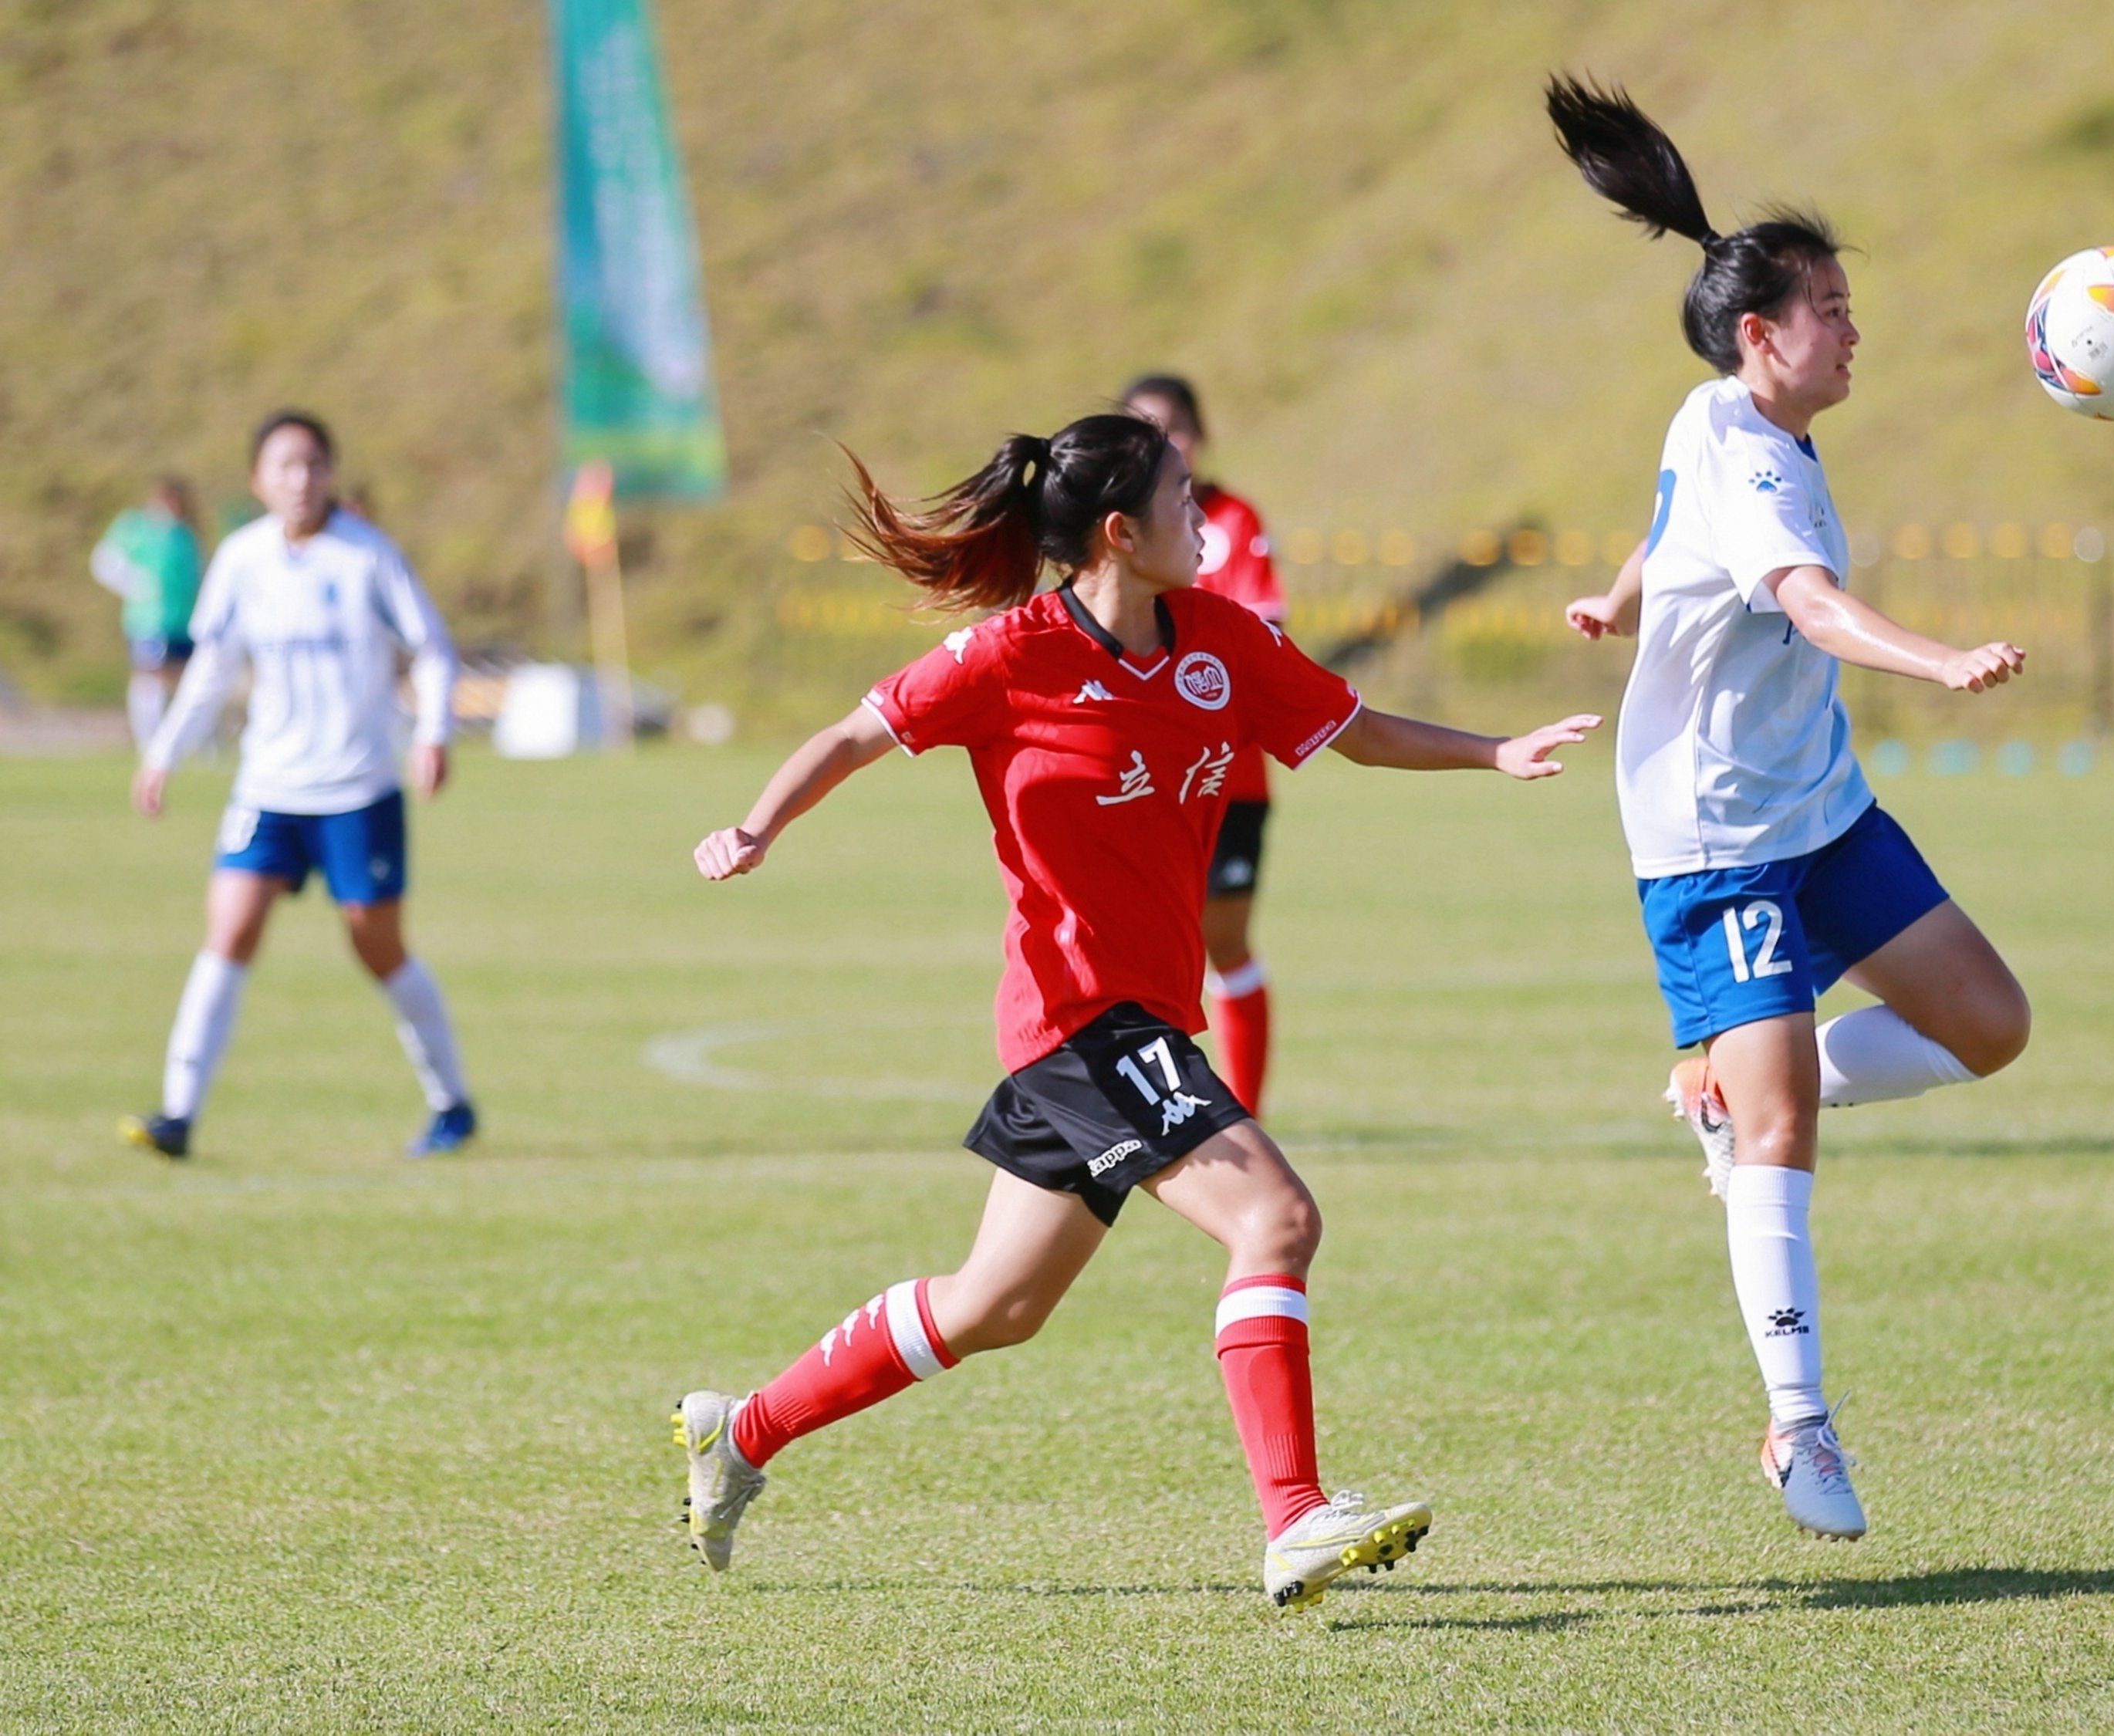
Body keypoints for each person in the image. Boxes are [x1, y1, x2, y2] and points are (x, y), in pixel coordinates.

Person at [669, 412, 1599, 1609]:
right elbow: (857, 731)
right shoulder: (1009, 655)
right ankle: (1297, 1518)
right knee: (1276, 1218)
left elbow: (1354, 730)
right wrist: (756, 824)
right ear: (1121, 530)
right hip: (1082, 1020)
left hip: (1136, 1017)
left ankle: (739, 1431)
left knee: (996, 1303)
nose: (1207, 517)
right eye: (1184, 496)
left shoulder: (1221, 639)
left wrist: (1495, 749)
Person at [1548, 78, 2031, 1542]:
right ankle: (1799, 1428)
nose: (1850, 326)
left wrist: (1617, 595)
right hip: (1710, 835)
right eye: (1827, 304)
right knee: (1787, 1132)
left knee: (1990, 1029)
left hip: (1818, 805)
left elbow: (1659, 508)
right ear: (1762, 334)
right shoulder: (1756, 462)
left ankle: (1742, 1084)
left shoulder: (1711, 413)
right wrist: (1941, 656)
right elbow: (1811, 609)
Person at [123, 412, 475, 1162]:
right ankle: (178, 1115)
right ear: (258, 480)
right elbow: (212, 670)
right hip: (269, 791)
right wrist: (163, 756)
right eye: (284, 466)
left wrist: (434, 733)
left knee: (376, 947)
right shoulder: (243, 560)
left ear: (331, 474)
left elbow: (433, 648)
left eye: (314, 464)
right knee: (230, 932)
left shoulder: (368, 557)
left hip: (358, 790)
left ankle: (453, 1103)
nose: (301, 479)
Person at [1123, 373, 1286, 1113]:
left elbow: (1265, 634)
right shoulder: (1116, 530)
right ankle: (1160, 1109)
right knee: (1146, 949)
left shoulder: (1228, 518)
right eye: (1146, 428)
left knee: (1222, 940)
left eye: (1176, 427)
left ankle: (1242, 1112)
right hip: (1136, 776)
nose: (1166, 441)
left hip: (1229, 774)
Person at [90, 477, 204, 751]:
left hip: (182, 620)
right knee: (149, 677)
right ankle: (149, 743)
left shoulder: (184, 536)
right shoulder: (135, 526)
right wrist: (134, 583)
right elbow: (104, 561)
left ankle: (188, 741)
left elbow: (196, 577)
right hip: (148, 620)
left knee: (186, 679)